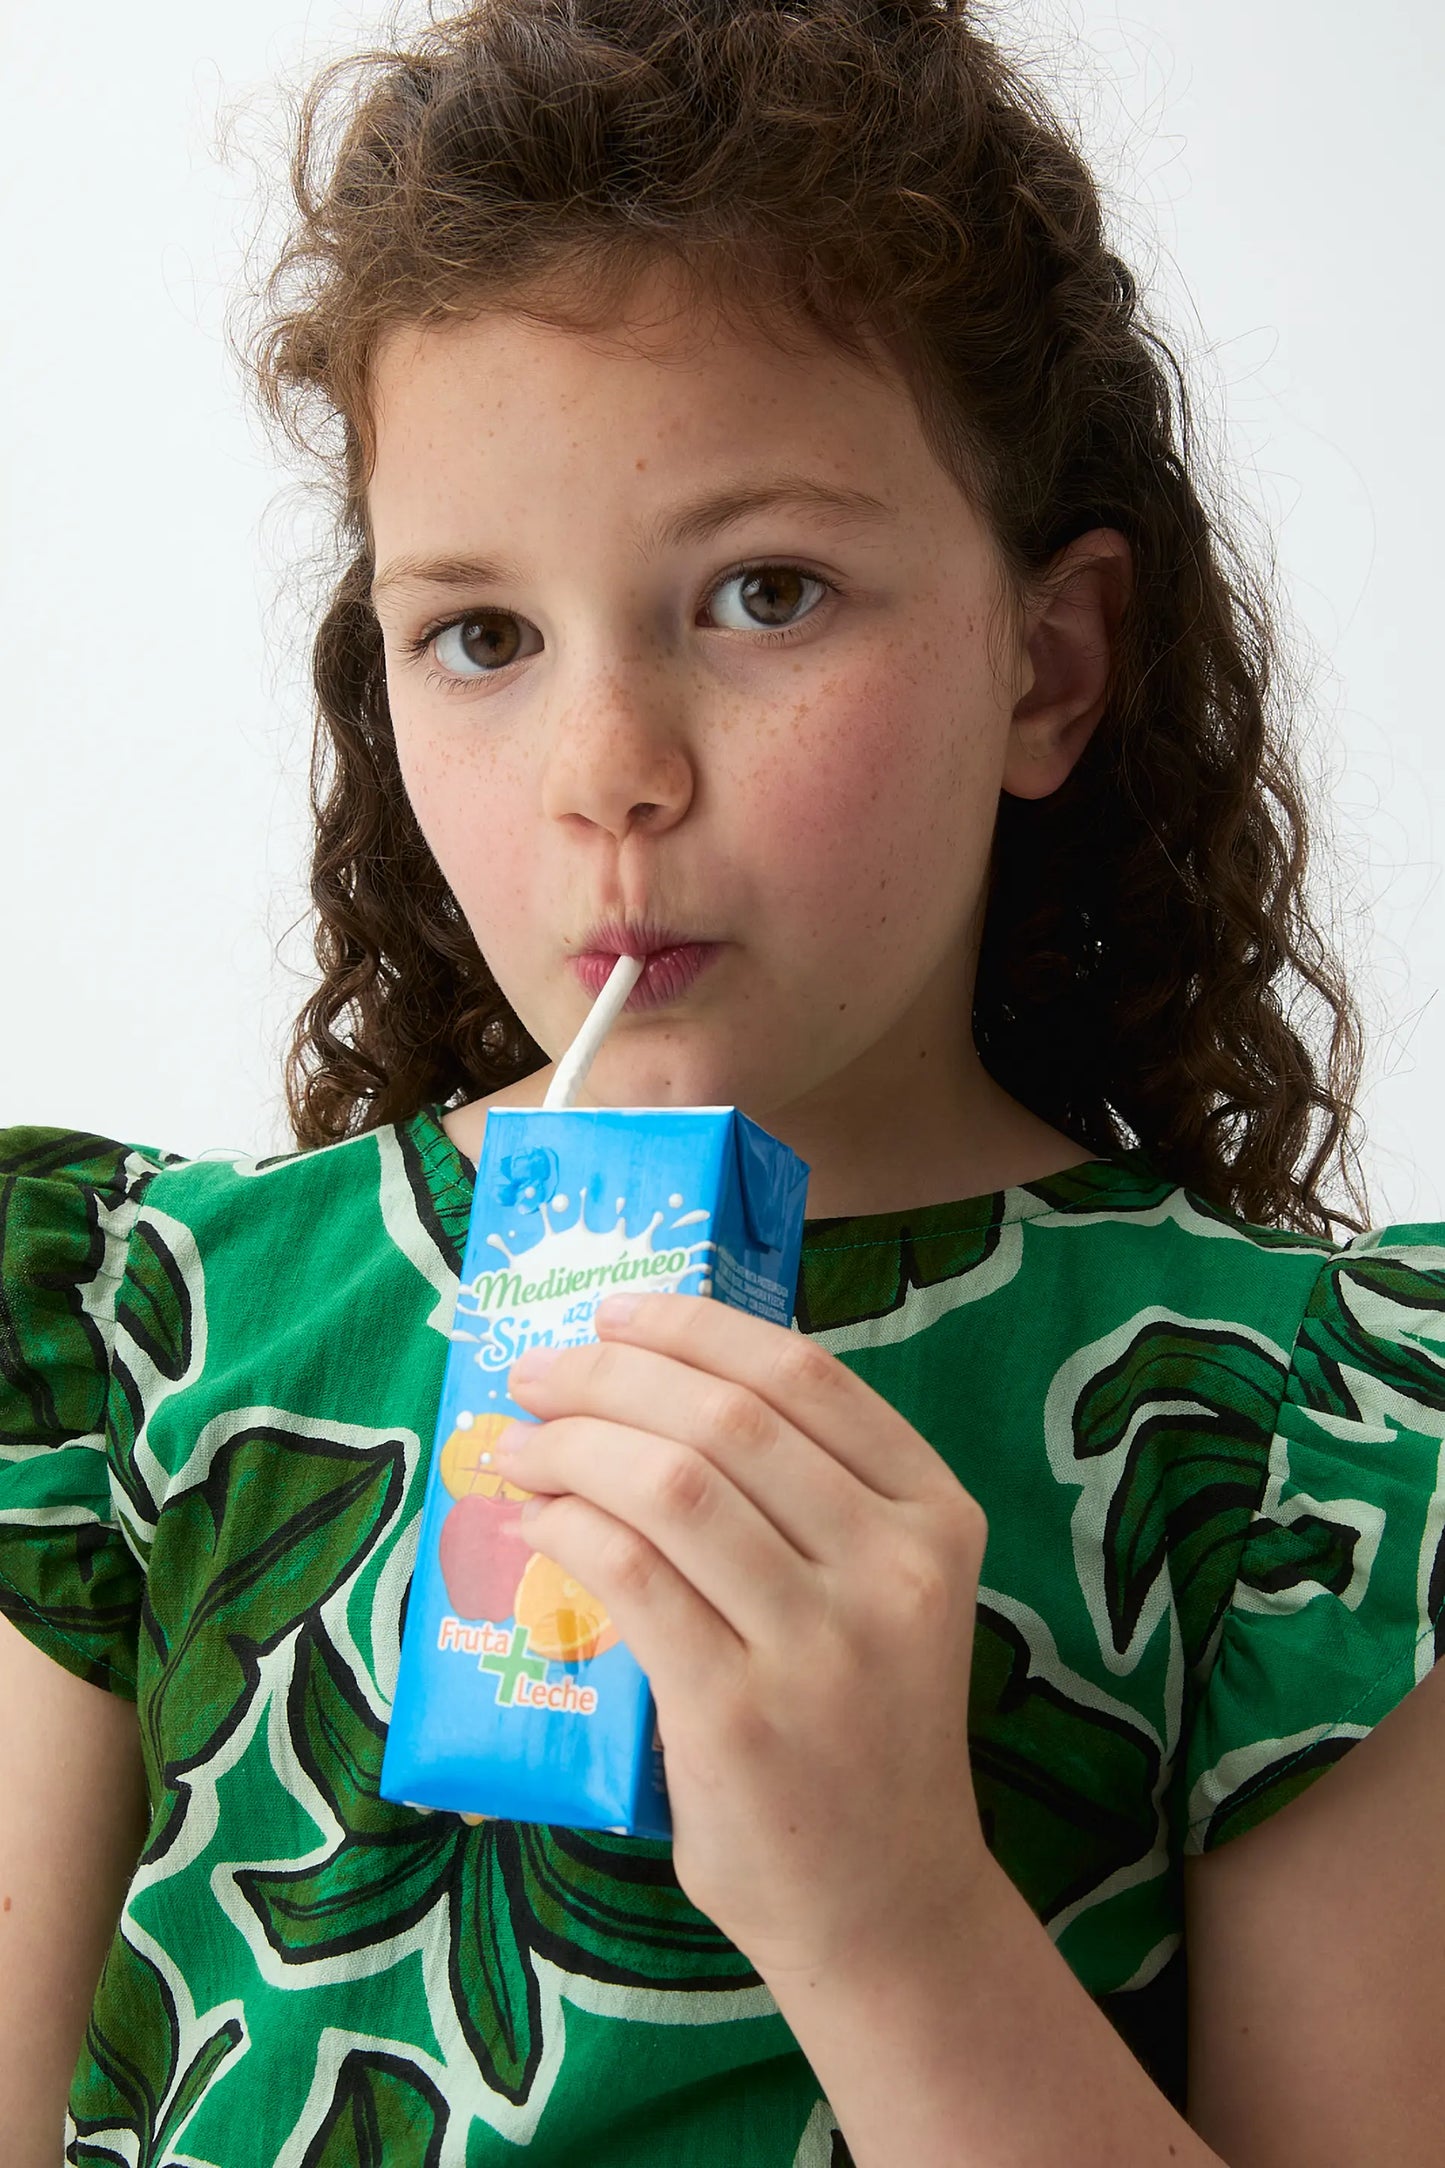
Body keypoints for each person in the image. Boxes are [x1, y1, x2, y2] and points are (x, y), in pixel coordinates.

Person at [2, 0, 1442, 2161]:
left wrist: (888, 1914)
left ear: (1046, 663)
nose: (609, 774)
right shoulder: (151, 1347)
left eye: (765, 593)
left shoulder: (1303, 1451)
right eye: (482, 635)